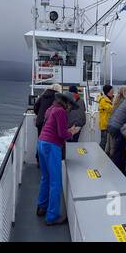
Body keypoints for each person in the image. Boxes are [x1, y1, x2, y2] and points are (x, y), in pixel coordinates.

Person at [37, 91, 81, 226]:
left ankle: (41, 207)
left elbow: (51, 127)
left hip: (41, 143)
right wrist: (72, 132)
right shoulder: (61, 111)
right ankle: (52, 216)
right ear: (66, 103)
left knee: (46, 178)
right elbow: (62, 134)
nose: (70, 109)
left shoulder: (51, 108)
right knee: (56, 182)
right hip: (52, 146)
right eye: (70, 106)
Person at [98, 85, 115, 149]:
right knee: (104, 141)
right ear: (108, 92)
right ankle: (100, 152)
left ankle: (104, 153)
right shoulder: (104, 101)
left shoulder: (109, 100)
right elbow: (111, 109)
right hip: (105, 124)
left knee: (107, 141)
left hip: (108, 124)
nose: (113, 92)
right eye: (112, 91)